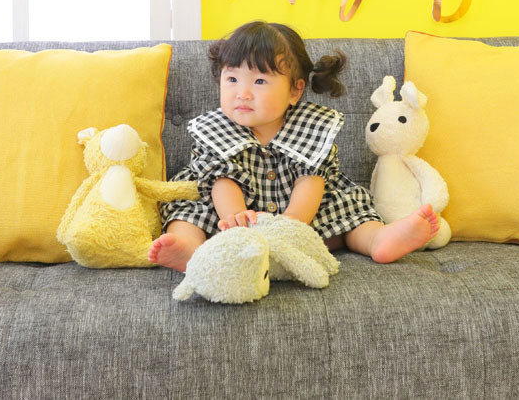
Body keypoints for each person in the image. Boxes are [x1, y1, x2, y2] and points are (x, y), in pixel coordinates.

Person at [148, 20, 439, 272]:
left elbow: (311, 183)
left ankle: (378, 240)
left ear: (295, 91)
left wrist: (289, 226)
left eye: (259, 81)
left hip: (304, 215)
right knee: (189, 210)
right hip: (230, 217)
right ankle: (190, 250)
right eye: (232, 79)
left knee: (349, 212)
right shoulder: (215, 130)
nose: (242, 93)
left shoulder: (313, 128)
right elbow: (222, 181)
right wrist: (235, 220)